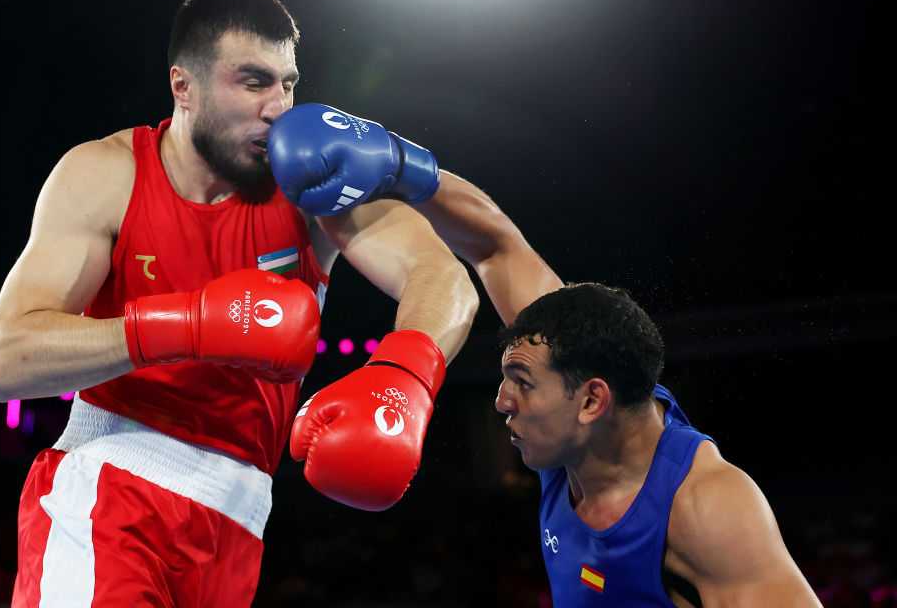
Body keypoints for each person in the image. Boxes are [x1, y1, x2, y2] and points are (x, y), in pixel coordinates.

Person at [0, 0, 479, 607]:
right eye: (253, 82)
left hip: (238, 524)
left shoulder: (311, 183)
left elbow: (444, 279)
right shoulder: (107, 174)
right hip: (109, 490)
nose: (279, 108)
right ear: (183, 86)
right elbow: (5, 361)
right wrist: (186, 325)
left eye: (288, 84)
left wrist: (404, 377)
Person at [274, 107, 822, 605]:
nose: (501, 401)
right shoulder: (568, 359)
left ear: (591, 402)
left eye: (521, 382)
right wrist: (398, 162)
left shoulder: (709, 510)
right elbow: (495, 245)